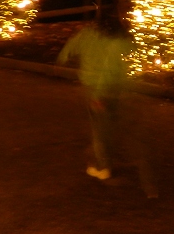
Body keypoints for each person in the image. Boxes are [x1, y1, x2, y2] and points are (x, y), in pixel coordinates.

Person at [58, 12, 157, 197]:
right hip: (115, 88)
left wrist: (64, 58)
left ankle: (103, 166)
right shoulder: (119, 40)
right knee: (106, 125)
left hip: (95, 87)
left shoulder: (89, 34)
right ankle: (106, 158)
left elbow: (72, 47)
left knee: (99, 129)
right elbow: (132, 51)